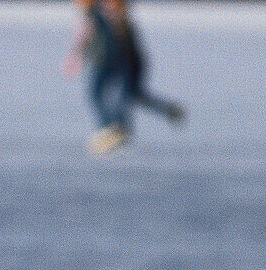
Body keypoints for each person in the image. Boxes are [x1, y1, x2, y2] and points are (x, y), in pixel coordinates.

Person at [64, 0, 186, 154]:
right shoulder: (95, 15)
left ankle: (115, 128)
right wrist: (76, 57)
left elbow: (93, 38)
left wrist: (77, 56)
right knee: (125, 94)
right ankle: (115, 127)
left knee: (122, 94)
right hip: (109, 61)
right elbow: (85, 38)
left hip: (121, 61)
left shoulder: (108, 15)